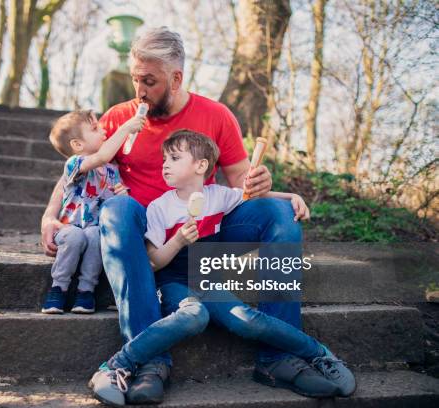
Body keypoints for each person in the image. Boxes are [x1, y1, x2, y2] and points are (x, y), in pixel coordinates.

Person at [41, 27, 354, 403]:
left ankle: (280, 357)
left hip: (209, 248)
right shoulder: (120, 118)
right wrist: (49, 216)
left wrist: (267, 182)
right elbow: (80, 169)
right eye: (136, 79)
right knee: (116, 208)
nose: (139, 90)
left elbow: (243, 185)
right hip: (153, 250)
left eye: (150, 81)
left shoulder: (216, 115)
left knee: (279, 213)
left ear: (176, 78)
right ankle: (147, 360)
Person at [88, 130, 354, 406]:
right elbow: (154, 262)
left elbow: (250, 196)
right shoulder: (159, 208)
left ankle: (320, 355)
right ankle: (117, 364)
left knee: (248, 320)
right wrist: (178, 240)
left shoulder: (218, 197)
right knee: (195, 316)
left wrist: (290, 197)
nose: (165, 164)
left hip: (207, 282)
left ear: (201, 166)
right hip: (173, 283)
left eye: (174, 158)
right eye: (164, 158)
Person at [41, 110, 144, 314]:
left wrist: (122, 194)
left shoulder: (112, 170)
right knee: (75, 236)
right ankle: (58, 288)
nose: (103, 130)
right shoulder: (75, 163)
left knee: (96, 235)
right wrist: (126, 128)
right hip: (69, 227)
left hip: (94, 228)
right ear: (78, 145)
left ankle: (85, 291)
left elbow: (118, 202)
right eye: (95, 128)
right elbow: (102, 155)